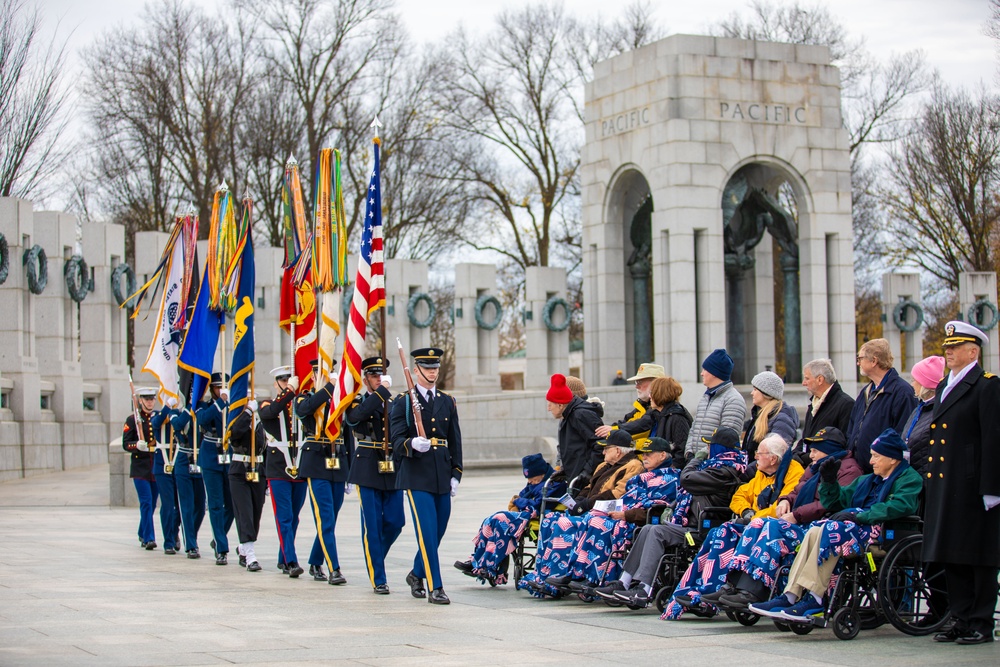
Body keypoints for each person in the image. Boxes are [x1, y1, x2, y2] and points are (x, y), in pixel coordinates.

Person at [748, 429, 921, 622]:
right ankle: (791, 595)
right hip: (855, 527)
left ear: (892, 459)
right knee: (816, 529)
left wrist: (861, 515)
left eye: (876, 457)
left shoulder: (909, 478)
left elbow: (900, 505)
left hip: (882, 530)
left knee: (829, 529)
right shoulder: (867, 480)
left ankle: (815, 597)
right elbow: (837, 501)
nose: (871, 461)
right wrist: (830, 482)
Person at [686, 428, 863, 613]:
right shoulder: (812, 468)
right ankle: (728, 584)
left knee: (767, 526)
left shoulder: (847, 470)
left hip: (815, 524)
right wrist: (785, 500)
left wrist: (794, 514)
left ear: (829, 449)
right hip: (796, 520)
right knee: (727, 529)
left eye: (815, 450)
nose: (810, 455)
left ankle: (753, 590)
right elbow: (793, 493)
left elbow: (828, 504)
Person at [593, 427, 747, 610]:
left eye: (710, 446)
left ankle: (645, 588)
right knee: (648, 529)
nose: (707, 451)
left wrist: (695, 460)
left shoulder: (725, 471)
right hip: (690, 523)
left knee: (656, 531)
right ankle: (624, 581)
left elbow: (687, 478)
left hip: (702, 527)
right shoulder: (714, 468)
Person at [660, 434, 803, 615]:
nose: (755, 457)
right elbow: (739, 496)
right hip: (755, 522)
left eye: (760, 453)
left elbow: (780, 509)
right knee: (720, 531)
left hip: (774, 526)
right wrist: (745, 511)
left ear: (773, 459)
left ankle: (739, 588)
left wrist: (754, 517)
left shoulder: (794, 473)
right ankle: (711, 586)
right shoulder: (762, 473)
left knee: (753, 526)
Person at [923, 321, 1000, 645]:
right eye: (947, 348)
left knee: (979, 556)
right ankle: (961, 617)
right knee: (951, 553)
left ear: (974, 351)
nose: (949, 352)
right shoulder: (945, 386)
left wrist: (992, 488)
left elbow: (993, 438)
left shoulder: (986, 385)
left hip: (972, 485)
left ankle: (981, 622)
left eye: (955, 348)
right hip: (946, 483)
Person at [518, 430, 647, 596]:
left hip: (608, 512)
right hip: (590, 510)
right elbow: (589, 488)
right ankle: (545, 572)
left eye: (606, 449)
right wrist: (577, 501)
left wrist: (584, 504)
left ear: (618, 450)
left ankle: (565, 573)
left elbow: (616, 494)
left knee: (565, 523)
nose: (603, 452)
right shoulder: (603, 465)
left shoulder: (633, 466)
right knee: (549, 519)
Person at [389, 346, 463, 605]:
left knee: (439, 529)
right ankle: (436, 586)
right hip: (416, 474)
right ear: (417, 370)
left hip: (441, 472)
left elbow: (455, 440)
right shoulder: (403, 402)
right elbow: (395, 439)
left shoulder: (447, 400)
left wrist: (456, 473)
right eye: (428, 368)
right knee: (427, 532)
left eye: (435, 367)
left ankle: (416, 573)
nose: (433, 372)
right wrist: (411, 444)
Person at [453, 453, 565, 586]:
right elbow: (524, 496)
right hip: (526, 514)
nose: (529, 481)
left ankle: (487, 565)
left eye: (531, 478)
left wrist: (520, 501)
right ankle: (477, 560)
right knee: (490, 521)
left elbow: (535, 504)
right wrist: (522, 501)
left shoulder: (553, 482)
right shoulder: (537, 481)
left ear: (540, 473)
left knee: (500, 519)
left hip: (537, 516)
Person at [345, 356, 404, 595]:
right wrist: (381, 394)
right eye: (374, 375)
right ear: (365, 378)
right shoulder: (356, 400)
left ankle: (375, 555)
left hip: (392, 466)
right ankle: (378, 576)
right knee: (372, 524)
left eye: (381, 375)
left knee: (395, 522)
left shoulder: (395, 400)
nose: (379, 379)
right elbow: (354, 419)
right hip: (367, 466)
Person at [295, 359, 352, 586]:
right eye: (323, 373)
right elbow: (303, 411)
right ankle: (334, 568)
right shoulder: (306, 396)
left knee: (331, 518)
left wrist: (349, 471)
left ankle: (315, 560)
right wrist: (328, 388)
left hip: (337, 462)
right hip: (316, 462)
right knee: (325, 517)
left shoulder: (339, 399)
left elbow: (346, 435)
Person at [259, 363, 305, 578]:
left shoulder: (299, 406)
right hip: (278, 468)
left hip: (299, 466)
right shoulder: (268, 403)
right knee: (284, 517)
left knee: (294, 517)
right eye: (284, 381)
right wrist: (289, 392)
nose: (288, 384)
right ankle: (291, 560)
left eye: (290, 380)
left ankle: (282, 556)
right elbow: (271, 412)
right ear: (277, 383)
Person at [846, 338, 918, 473]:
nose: (858, 363)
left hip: (885, 473)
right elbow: (852, 426)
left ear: (874, 361)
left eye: (860, 358)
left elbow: (903, 433)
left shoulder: (902, 392)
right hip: (860, 470)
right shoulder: (865, 392)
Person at [158, 394, 206, 559]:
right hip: (183, 461)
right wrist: (189, 407)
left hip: (200, 459)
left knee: (200, 508)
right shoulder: (176, 413)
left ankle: (190, 534)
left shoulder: (203, 409)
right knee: (186, 506)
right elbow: (177, 425)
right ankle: (191, 545)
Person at [193, 373, 234, 565]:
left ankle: (219, 536)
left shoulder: (234, 404)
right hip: (210, 457)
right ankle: (221, 548)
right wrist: (220, 403)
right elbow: (202, 419)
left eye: (223, 387)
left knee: (233, 505)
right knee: (216, 505)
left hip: (229, 456)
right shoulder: (205, 405)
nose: (220, 390)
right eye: (217, 387)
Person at [227, 397, 267, 572]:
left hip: (258, 471)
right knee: (245, 513)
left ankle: (244, 547)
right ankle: (250, 556)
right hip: (239, 471)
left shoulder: (260, 422)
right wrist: (247, 413)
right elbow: (235, 433)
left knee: (256, 514)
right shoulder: (236, 419)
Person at [685, 349, 747, 459]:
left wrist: (700, 457)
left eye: (705, 369)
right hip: (696, 463)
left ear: (714, 373)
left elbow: (726, 439)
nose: (702, 373)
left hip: (713, 465)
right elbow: (694, 429)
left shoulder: (733, 400)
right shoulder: (706, 397)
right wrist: (689, 452)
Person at [545, 373, 603, 485]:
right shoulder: (569, 416)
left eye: (550, 404)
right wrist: (563, 469)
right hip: (576, 478)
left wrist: (587, 473)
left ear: (560, 405)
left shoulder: (581, 415)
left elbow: (600, 446)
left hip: (585, 481)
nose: (548, 408)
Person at [121, 387, 159, 551]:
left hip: (155, 466)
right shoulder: (132, 420)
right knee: (146, 502)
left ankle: (142, 532)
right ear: (141, 401)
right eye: (147, 399)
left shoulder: (159, 417)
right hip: (140, 468)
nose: (150, 402)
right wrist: (136, 445)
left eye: (152, 399)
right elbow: (125, 443)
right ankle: (149, 538)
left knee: (151, 503)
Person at [896, 355, 945, 476]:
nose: (912, 384)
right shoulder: (920, 408)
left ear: (924, 384)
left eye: (914, 380)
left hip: (926, 480)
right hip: (913, 476)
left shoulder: (937, 411)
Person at [796, 359, 854, 455]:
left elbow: (844, 445)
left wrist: (806, 458)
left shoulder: (846, 404)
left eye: (807, 378)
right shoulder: (813, 404)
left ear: (820, 379)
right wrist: (795, 455)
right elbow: (805, 440)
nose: (803, 383)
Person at [595, 363, 665, 442]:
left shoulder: (660, 406)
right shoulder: (643, 405)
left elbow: (643, 424)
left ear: (655, 383)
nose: (636, 386)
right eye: (636, 382)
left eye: (640, 382)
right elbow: (626, 422)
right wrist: (607, 429)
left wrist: (614, 430)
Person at [741, 371, 799, 460]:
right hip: (756, 472)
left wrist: (748, 472)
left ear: (766, 393)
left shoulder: (782, 419)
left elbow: (773, 457)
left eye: (755, 389)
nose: (752, 393)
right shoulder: (759, 414)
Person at [149, 397, 181, 555]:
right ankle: (168, 541)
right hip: (162, 464)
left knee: (180, 506)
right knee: (168, 505)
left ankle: (175, 532)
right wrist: (167, 406)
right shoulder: (157, 414)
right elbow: (156, 423)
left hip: (178, 461)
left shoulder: (179, 413)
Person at [646, 376, 692, 464]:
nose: (649, 396)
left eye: (651, 392)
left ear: (660, 394)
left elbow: (681, 453)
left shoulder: (677, 418)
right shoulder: (659, 415)